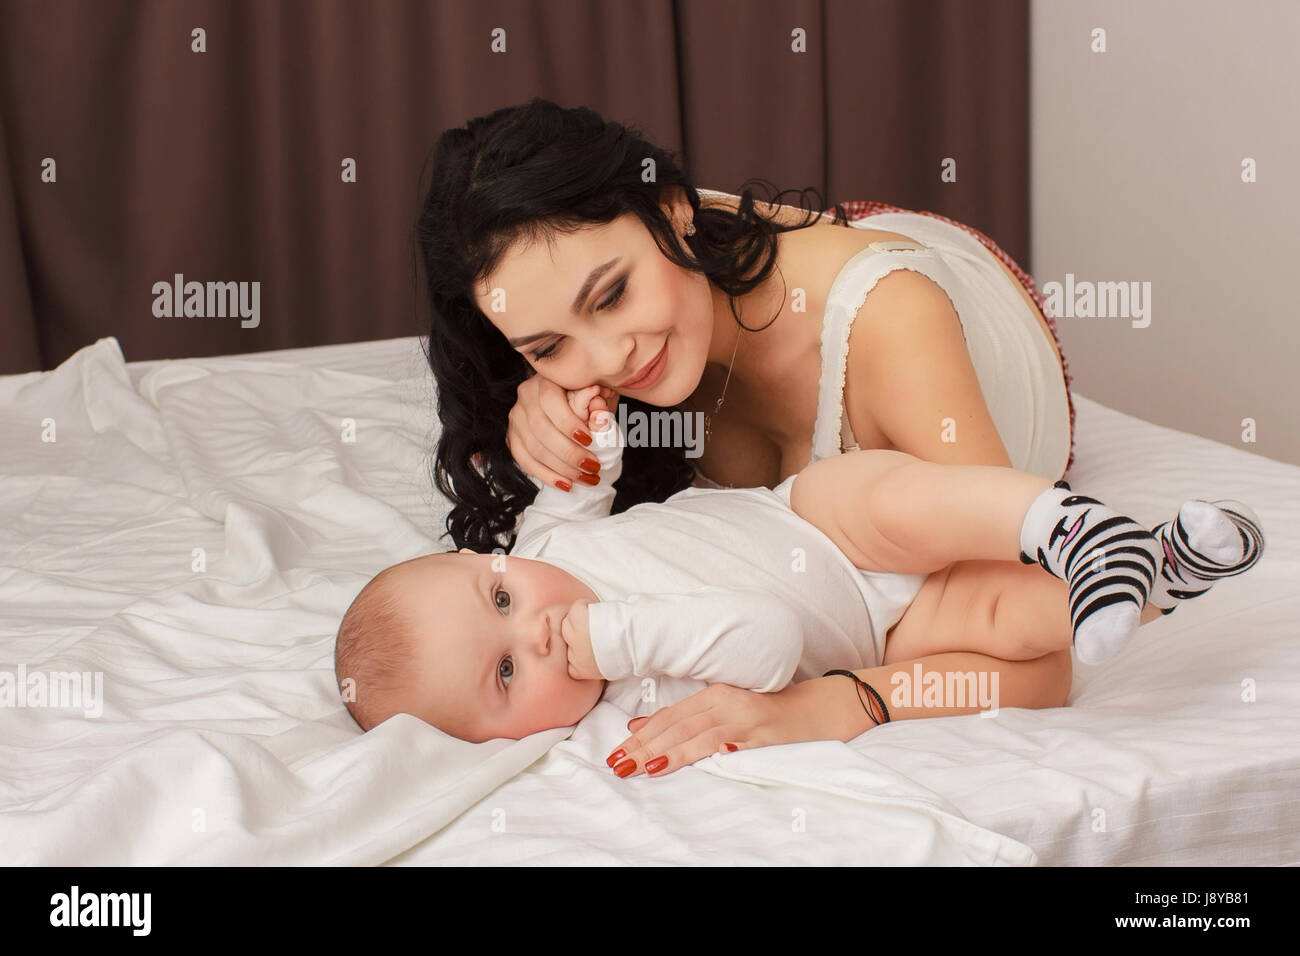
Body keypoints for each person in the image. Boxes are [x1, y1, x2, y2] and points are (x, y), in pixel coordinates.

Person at [414, 97, 1085, 777]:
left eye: (612, 296)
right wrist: (547, 415)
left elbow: (1044, 672)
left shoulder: (894, 322)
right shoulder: (607, 362)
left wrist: (836, 704)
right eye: (550, 344)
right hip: (740, 248)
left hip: (964, 286)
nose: (609, 357)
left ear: (674, 211)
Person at [334, 387, 1264, 780]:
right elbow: (771, 639)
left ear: (486, 560)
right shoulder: (639, 688)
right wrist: (614, 637)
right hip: (879, 632)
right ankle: (1158, 572)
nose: (535, 634)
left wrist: (591, 438)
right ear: (502, 739)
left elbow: (582, 486)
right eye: (506, 676)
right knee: (1003, 622)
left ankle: (1068, 526)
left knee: (895, 494)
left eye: (499, 602)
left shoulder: (545, 539)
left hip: (809, 521)